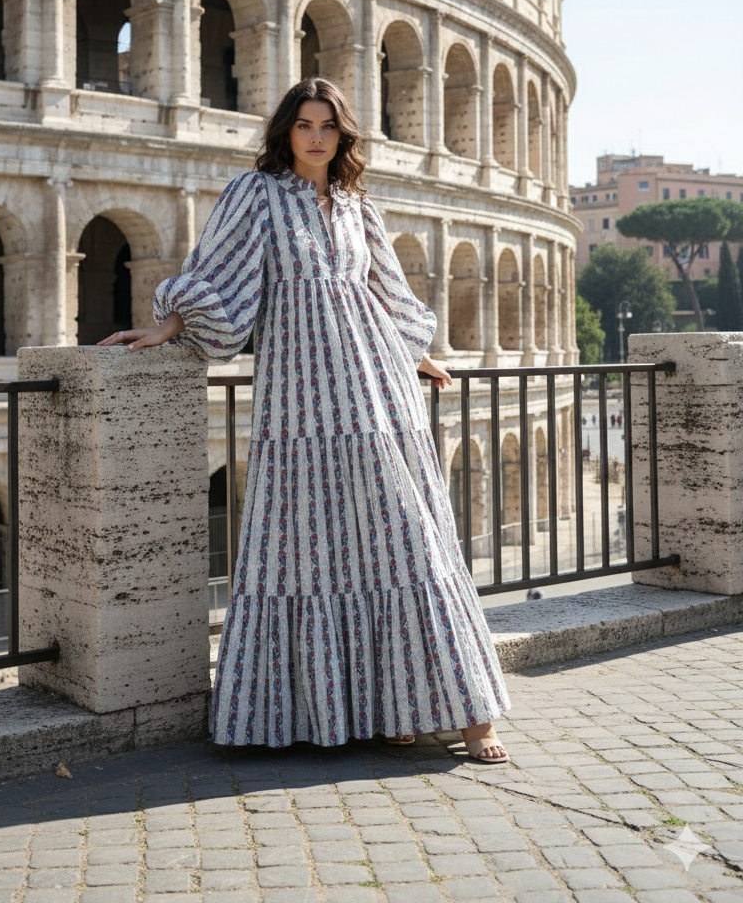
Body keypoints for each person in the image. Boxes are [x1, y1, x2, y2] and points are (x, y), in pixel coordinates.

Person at [99, 78, 510, 759]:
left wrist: (420, 353)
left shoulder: (356, 208)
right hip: (298, 397)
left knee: (405, 533)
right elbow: (219, 272)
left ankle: (470, 717)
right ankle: (369, 709)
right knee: (308, 541)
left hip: (377, 390)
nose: (316, 137)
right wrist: (169, 325)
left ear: (344, 136)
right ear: (285, 132)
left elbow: (386, 291)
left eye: (327, 126)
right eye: (303, 125)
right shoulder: (254, 196)